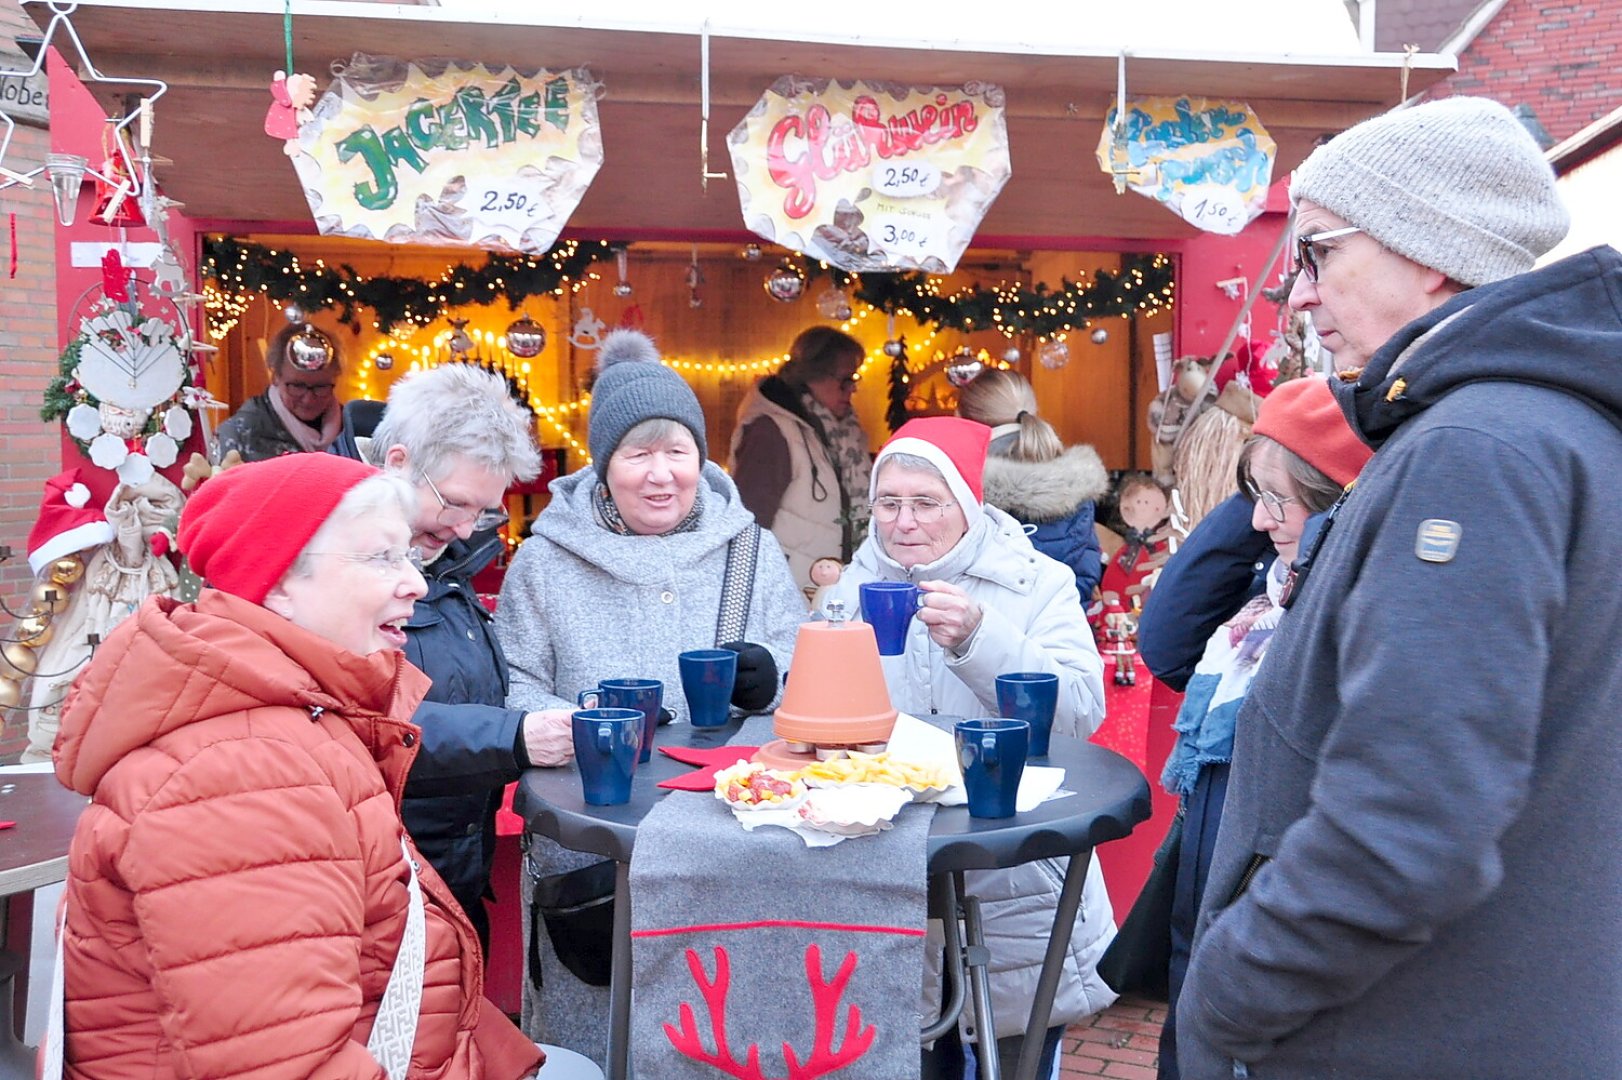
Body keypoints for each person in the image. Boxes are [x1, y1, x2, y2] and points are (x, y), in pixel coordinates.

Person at [1177, 97, 1622, 1079]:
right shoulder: (1548, 428)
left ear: (1427, 251)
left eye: (1318, 253)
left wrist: (1221, 999)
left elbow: (1407, 828)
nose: (1295, 295)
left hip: (1406, 1034)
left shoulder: (1473, 449)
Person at [51, 453, 542, 1079]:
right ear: (278, 582)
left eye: (407, 557)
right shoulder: (240, 777)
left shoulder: (291, 717)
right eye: (380, 558)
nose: (417, 585)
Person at [494, 328, 805, 1065]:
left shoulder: (747, 550)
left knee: (718, 1029)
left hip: (729, 843)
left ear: (702, 459)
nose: (661, 474)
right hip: (593, 850)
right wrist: (572, 724)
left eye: (678, 453)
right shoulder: (544, 562)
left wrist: (774, 673)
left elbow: (802, 664)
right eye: (639, 454)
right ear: (605, 466)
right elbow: (516, 681)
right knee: (597, 1031)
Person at [825, 416, 1112, 1080]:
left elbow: (1078, 715)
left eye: (926, 503)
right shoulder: (848, 590)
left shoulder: (1034, 582)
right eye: (889, 502)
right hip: (889, 875)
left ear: (967, 504)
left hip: (1012, 878)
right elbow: (815, 724)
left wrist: (978, 639)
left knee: (1015, 1063)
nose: (903, 522)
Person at [1147, 377, 1371, 1080]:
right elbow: (1169, 637)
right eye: (1256, 498)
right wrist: (1265, 479)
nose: (1257, 521)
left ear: (1341, 504)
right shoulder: (1266, 600)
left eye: (1280, 500)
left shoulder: (1338, 607)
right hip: (1208, 875)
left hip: (1265, 894)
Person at [331, 362, 571, 951]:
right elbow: (355, 714)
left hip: (443, 879)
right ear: (397, 465)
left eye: (484, 513)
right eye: (457, 505)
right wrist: (514, 737)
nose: (467, 531)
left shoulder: (431, 557)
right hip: (369, 894)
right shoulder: (330, 558)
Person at [729, 326, 872, 593]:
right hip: (788, 590)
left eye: (855, 378)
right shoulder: (771, 432)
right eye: (845, 379)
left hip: (826, 586)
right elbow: (748, 522)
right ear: (813, 376)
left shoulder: (839, 434)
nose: (852, 389)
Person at [956, 367, 1109, 600]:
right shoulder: (1077, 482)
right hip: (1060, 629)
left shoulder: (957, 487)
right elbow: (1084, 575)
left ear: (961, 417)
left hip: (977, 630)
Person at [214, 322, 345, 461]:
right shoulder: (239, 434)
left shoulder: (352, 431)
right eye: (297, 386)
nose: (308, 399)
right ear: (275, 377)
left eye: (320, 387)